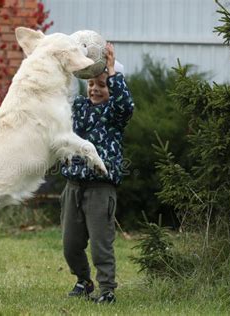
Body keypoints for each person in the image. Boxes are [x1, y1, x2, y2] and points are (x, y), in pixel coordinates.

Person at [60, 43, 134, 304]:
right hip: (73, 187)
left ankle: (107, 291)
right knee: (70, 244)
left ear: (111, 88)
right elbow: (62, 101)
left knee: (101, 245)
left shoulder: (115, 113)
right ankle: (83, 280)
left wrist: (112, 70)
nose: (95, 89)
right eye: (92, 84)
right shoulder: (79, 107)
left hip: (100, 190)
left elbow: (125, 104)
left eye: (102, 85)